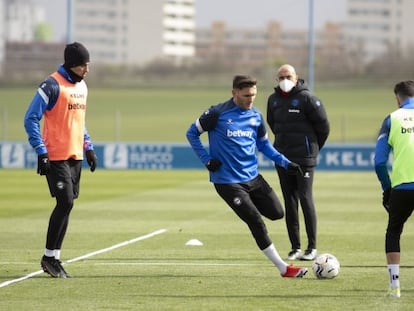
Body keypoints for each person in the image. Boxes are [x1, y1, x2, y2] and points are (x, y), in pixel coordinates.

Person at [186, 74, 308, 278]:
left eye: (253, 95)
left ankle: (248, 208)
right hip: (227, 181)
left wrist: (286, 163)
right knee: (256, 221)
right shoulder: (216, 113)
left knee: (277, 213)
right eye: (245, 95)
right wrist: (206, 159)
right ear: (234, 93)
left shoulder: (256, 116)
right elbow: (191, 133)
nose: (250, 99)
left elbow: (263, 145)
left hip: (253, 177)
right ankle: (283, 268)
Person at [24, 42, 97, 278]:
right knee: (65, 202)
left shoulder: (83, 87)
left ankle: (54, 257)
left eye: (87, 65)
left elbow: (79, 120)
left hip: (75, 155)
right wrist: (41, 151)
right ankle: (47, 257)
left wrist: (88, 147)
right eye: (83, 65)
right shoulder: (51, 85)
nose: (86, 70)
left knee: (69, 204)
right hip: (55, 156)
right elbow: (30, 119)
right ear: (72, 64)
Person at [266, 64, 330, 261]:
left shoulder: (307, 98)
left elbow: (324, 127)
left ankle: (312, 248)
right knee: (289, 201)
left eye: (289, 76)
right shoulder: (273, 100)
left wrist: (312, 148)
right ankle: (295, 247)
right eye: (281, 77)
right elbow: (272, 124)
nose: (285, 79)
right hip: (283, 157)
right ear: (277, 80)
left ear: (296, 77)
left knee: (305, 198)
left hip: (304, 158)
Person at [374, 80, 414, 298]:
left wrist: (387, 189)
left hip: (403, 187)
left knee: (393, 232)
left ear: (398, 98)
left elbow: (379, 162)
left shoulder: (392, 119)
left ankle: (395, 287)